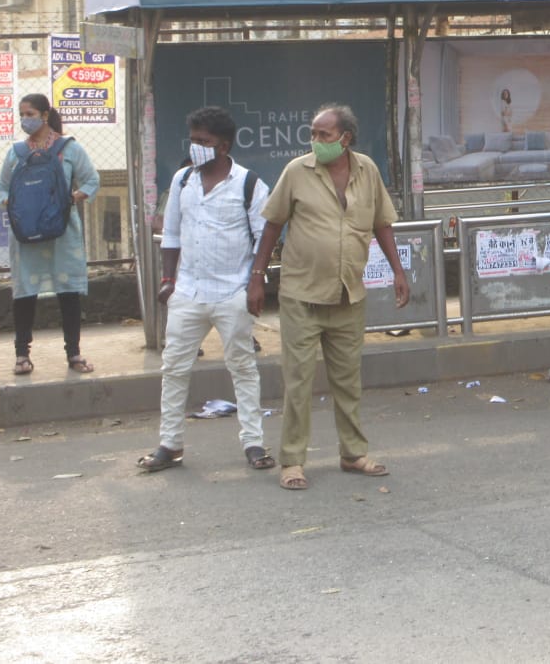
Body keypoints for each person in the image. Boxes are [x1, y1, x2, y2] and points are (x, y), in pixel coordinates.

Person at [248, 104, 411, 490]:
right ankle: (292, 461)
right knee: (298, 383)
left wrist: (398, 271)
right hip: (301, 295)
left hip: (347, 296)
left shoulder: (367, 171)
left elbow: (382, 224)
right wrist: (258, 276)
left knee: (348, 382)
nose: (315, 141)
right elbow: (272, 225)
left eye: (323, 134)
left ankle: (353, 454)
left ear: (345, 138)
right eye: (313, 133)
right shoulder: (297, 172)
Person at [137, 107, 274, 474]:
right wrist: (168, 281)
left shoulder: (249, 184)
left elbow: (265, 236)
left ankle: (253, 443)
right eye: (194, 140)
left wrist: (257, 281)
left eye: (204, 141)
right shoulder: (183, 181)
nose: (196, 146)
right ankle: (170, 445)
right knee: (174, 368)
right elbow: (172, 235)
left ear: (224, 146)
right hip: (189, 291)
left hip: (233, 291)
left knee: (242, 367)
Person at [0, 93, 100, 375]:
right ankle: (21, 355)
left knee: (69, 293)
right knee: (24, 293)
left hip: (62, 233)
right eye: (22, 115)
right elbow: (0, 189)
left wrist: (73, 198)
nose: (24, 120)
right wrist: (17, 206)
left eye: (29, 114)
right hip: (27, 236)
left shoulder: (69, 148)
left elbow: (92, 179)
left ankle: (74, 354)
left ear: (44, 114)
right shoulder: (16, 152)